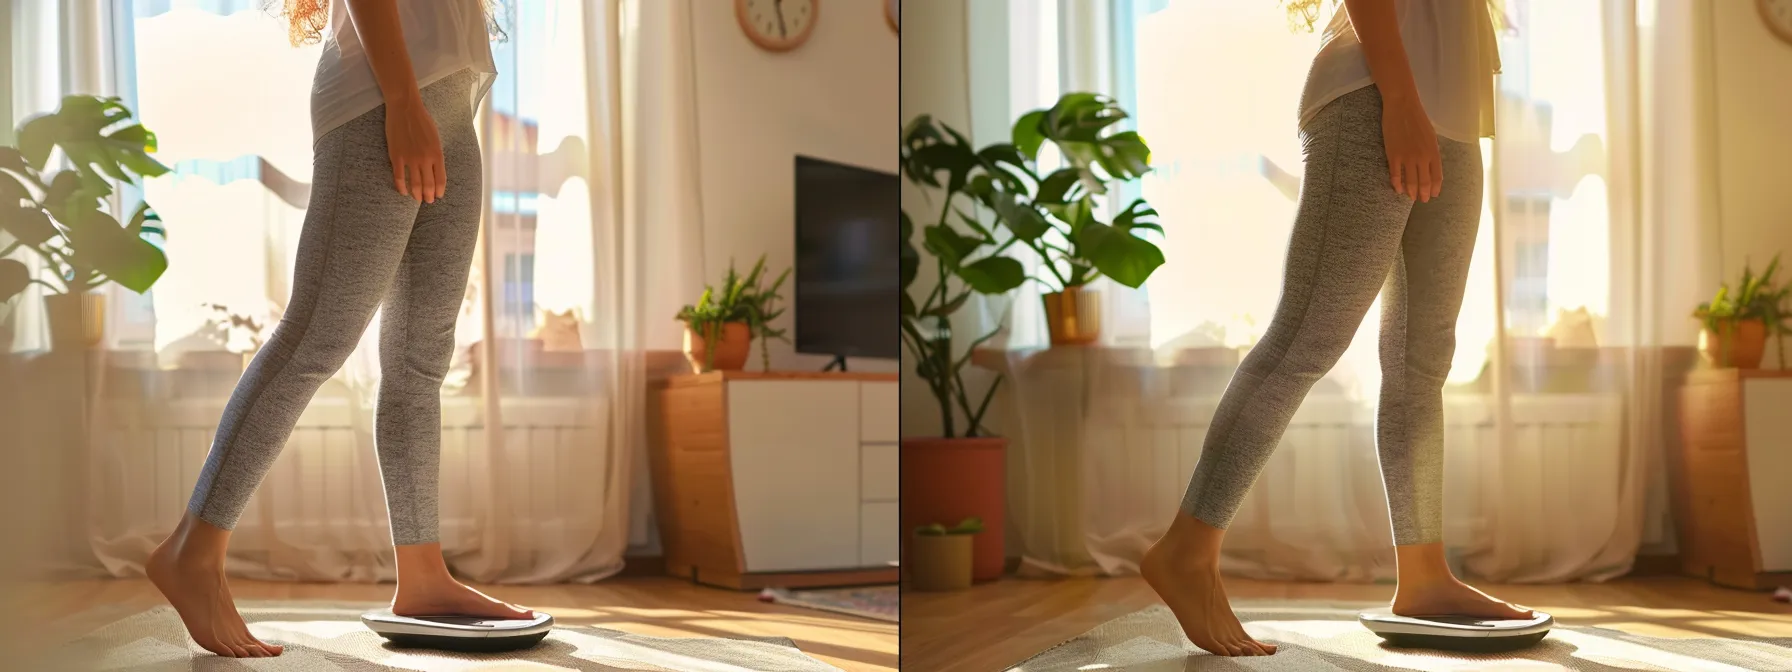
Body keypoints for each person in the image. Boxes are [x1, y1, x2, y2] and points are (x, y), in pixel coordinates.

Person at [1140, 0, 1529, 657]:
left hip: (1458, 116)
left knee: (1421, 363)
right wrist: (1401, 101)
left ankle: (1425, 575)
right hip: (1376, 94)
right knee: (1306, 338)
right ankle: (1188, 545)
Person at [147, 0, 529, 658]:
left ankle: (423, 577)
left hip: (456, 105)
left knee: (419, 364)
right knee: (315, 339)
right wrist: (404, 100)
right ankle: (193, 547)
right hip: (380, 100)